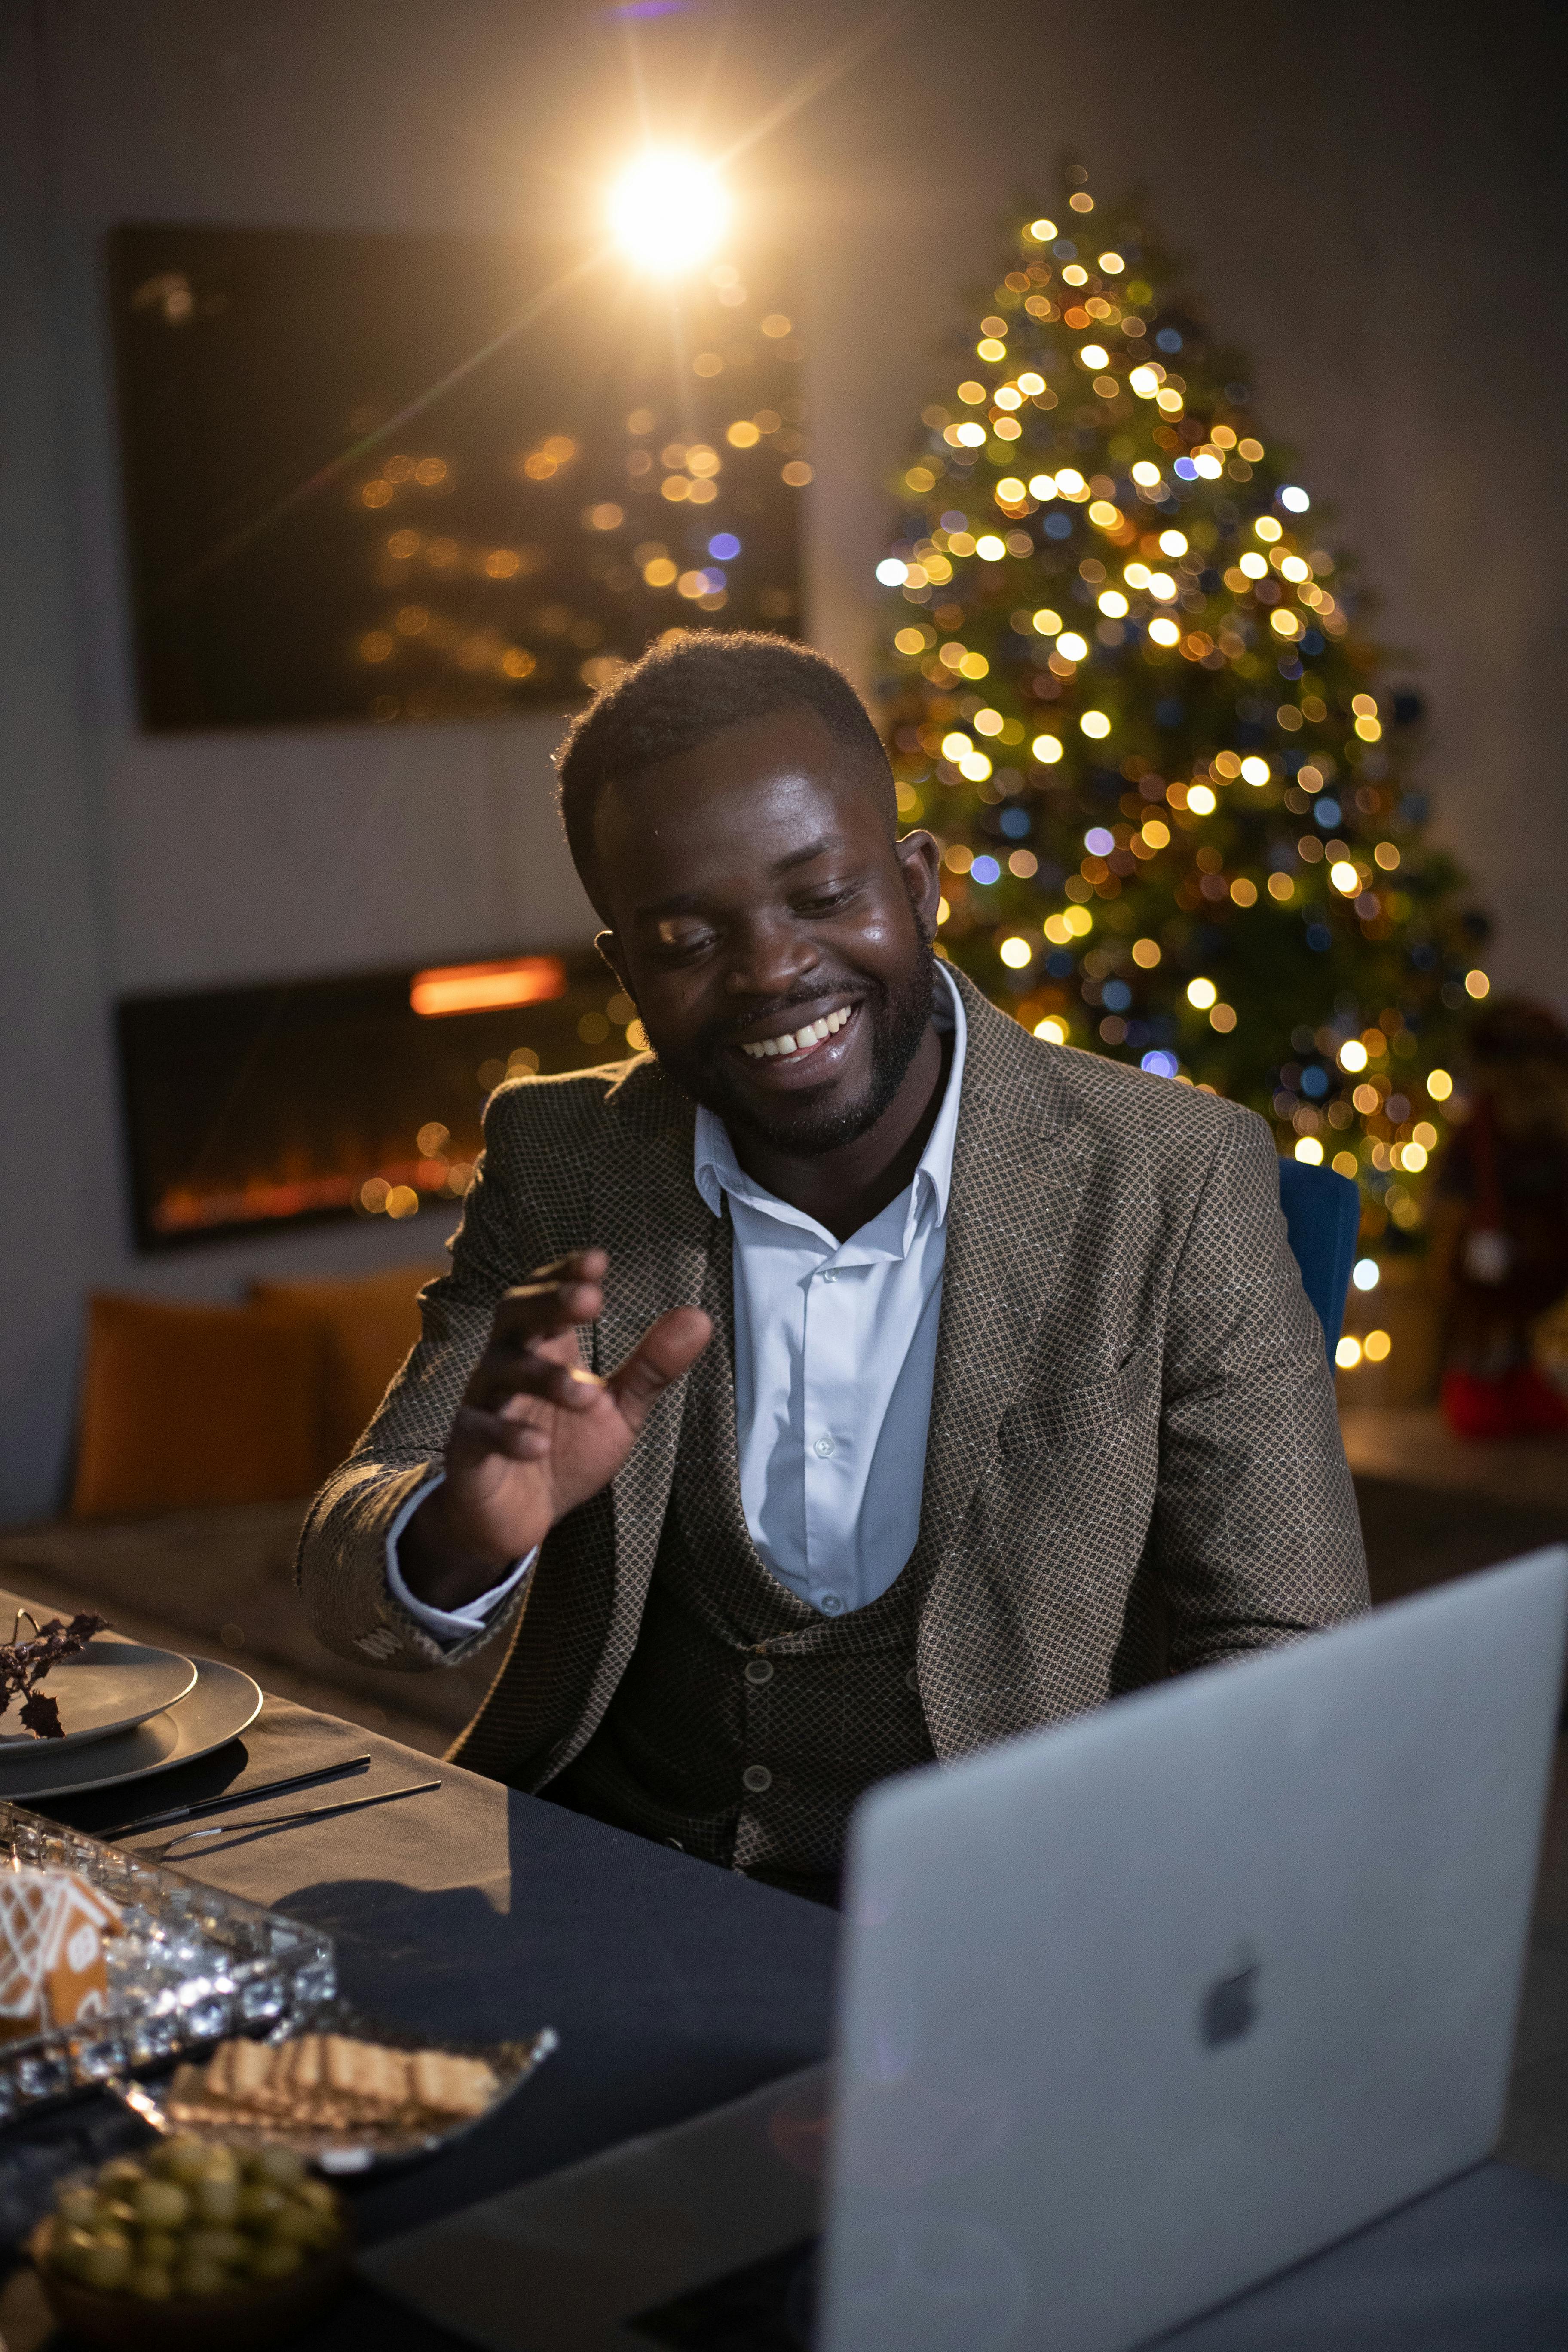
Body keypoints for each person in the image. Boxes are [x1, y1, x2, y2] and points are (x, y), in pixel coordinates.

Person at [298, 631, 1367, 1905]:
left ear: (917, 885)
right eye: (689, 937)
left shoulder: (1173, 1174)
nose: (770, 972)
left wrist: (1116, 1934)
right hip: (615, 1884)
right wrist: (459, 1535)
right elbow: (345, 1576)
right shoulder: (565, 1158)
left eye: (820, 898)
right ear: (624, 969)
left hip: (1009, 1916)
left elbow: (1292, 1648)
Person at [1428, 997, 1568, 1440]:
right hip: (1487, 1268)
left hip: (1547, 1264)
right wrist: (1445, 1266)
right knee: (1484, 1328)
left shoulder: (1557, 1142)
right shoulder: (1475, 1143)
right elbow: (1450, 1219)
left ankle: (1524, 1376)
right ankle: (1486, 1378)